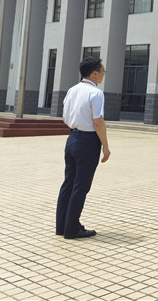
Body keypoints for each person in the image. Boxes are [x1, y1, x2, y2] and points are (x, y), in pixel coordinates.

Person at [56, 57, 110, 239]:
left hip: (72, 138)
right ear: (94, 73)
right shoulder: (96, 93)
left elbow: (65, 118)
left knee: (68, 183)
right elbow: (98, 121)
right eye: (102, 72)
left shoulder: (72, 90)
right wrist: (105, 146)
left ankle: (62, 226)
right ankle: (72, 228)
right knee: (81, 186)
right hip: (88, 141)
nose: (103, 75)